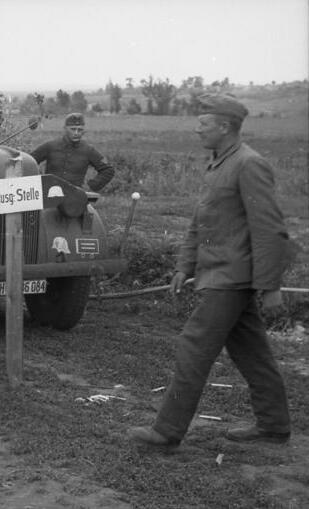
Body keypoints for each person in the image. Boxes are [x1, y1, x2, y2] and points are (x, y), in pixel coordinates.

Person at [129, 93, 292, 448]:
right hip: (220, 275)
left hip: (231, 279)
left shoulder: (249, 165)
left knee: (193, 348)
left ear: (224, 126)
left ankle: (167, 431)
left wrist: (272, 286)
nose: (196, 129)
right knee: (252, 352)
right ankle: (274, 426)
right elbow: (200, 221)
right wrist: (183, 266)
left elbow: (269, 229)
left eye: (203, 124)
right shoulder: (220, 164)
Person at [29, 112, 115, 192]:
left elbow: (108, 170)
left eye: (80, 130)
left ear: (84, 131)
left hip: (75, 198)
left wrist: (90, 186)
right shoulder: (50, 146)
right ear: (65, 129)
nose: (76, 133)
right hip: (50, 196)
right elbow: (28, 162)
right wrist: (38, 182)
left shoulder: (88, 150)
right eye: (73, 129)